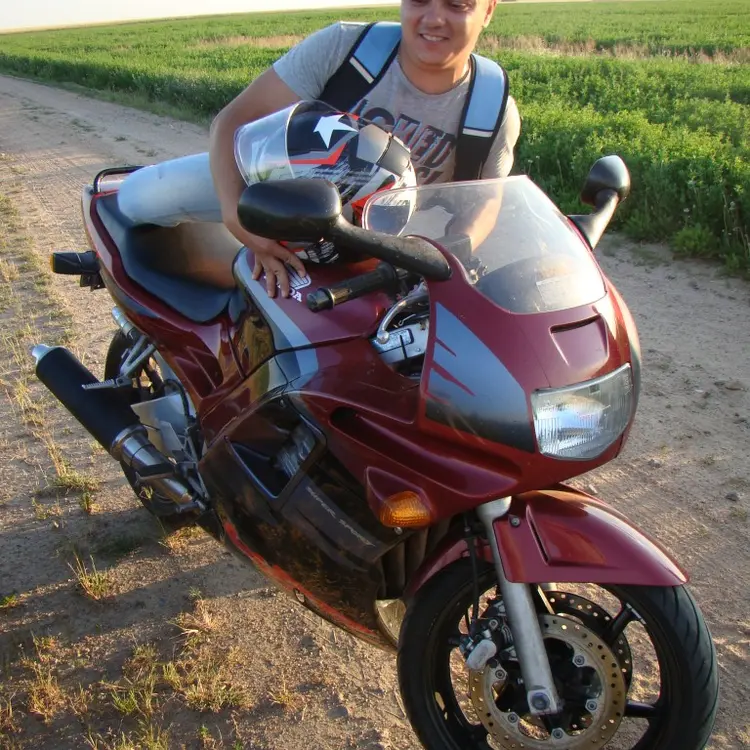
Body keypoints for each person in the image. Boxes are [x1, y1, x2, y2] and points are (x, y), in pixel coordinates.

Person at [208, 0, 521, 298]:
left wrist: (445, 257)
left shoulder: (490, 108)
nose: (434, 18)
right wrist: (236, 218)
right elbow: (233, 121)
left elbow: (484, 199)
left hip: (381, 246)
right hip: (270, 188)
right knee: (172, 197)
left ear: (488, 10)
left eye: (457, 5)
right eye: (419, 1)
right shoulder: (347, 49)